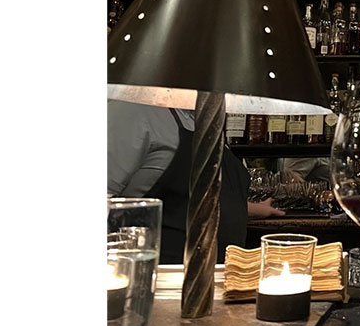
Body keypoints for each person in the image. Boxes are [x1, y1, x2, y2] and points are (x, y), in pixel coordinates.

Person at [108, 99, 283, 263]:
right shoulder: (133, 111)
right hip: (162, 279)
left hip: (222, 278)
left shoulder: (205, 121)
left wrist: (246, 208)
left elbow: (190, 198)